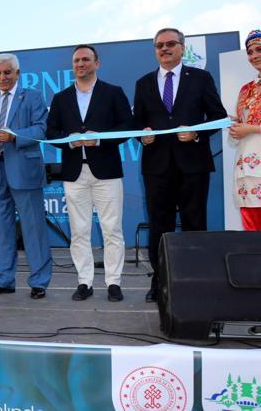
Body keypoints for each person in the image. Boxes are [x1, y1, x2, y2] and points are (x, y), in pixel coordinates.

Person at [134, 28, 227, 303]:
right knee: (159, 226)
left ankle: (196, 281)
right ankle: (160, 280)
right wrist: (142, 134)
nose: (165, 48)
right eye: (159, 45)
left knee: (194, 224)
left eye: (170, 43)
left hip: (193, 165)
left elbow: (218, 116)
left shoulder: (200, 78)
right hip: (157, 167)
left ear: (182, 47)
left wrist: (197, 133)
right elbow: (136, 122)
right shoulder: (143, 82)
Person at [47, 44, 133, 302]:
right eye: (76, 60)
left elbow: (127, 126)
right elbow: (51, 132)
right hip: (74, 173)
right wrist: (70, 140)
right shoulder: (61, 97)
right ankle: (84, 281)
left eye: (85, 59)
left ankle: (114, 282)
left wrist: (101, 138)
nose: (80, 64)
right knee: (79, 230)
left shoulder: (113, 92)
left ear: (97, 63)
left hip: (107, 171)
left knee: (112, 229)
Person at [0, 53, 52, 299]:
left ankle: (39, 281)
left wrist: (15, 136)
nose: (3, 77)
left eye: (7, 72)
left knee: (33, 228)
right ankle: (4, 280)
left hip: (24, 171)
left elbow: (42, 129)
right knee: (1, 230)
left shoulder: (33, 96)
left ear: (17, 73)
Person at [230, 29, 261, 230]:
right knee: (252, 230)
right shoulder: (246, 89)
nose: (254, 56)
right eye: (250, 52)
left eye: (259, 49)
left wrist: (251, 128)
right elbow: (242, 126)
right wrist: (234, 125)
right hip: (247, 166)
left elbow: (250, 127)